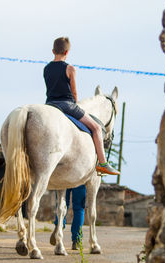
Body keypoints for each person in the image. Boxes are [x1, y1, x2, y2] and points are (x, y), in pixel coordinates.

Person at [44, 37, 120, 175]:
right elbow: (74, 91)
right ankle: (103, 164)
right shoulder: (70, 68)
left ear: (53, 51)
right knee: (97, 128)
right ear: (67, 52)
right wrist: (75, 104)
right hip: (67, 105)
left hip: (49, 105)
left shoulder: (46, 68)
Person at [52, 185, 86, 250]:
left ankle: (59, 225)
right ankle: (77, 240)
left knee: (61, 202)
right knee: (79, 207)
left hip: (64, 178)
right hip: (79, 179)